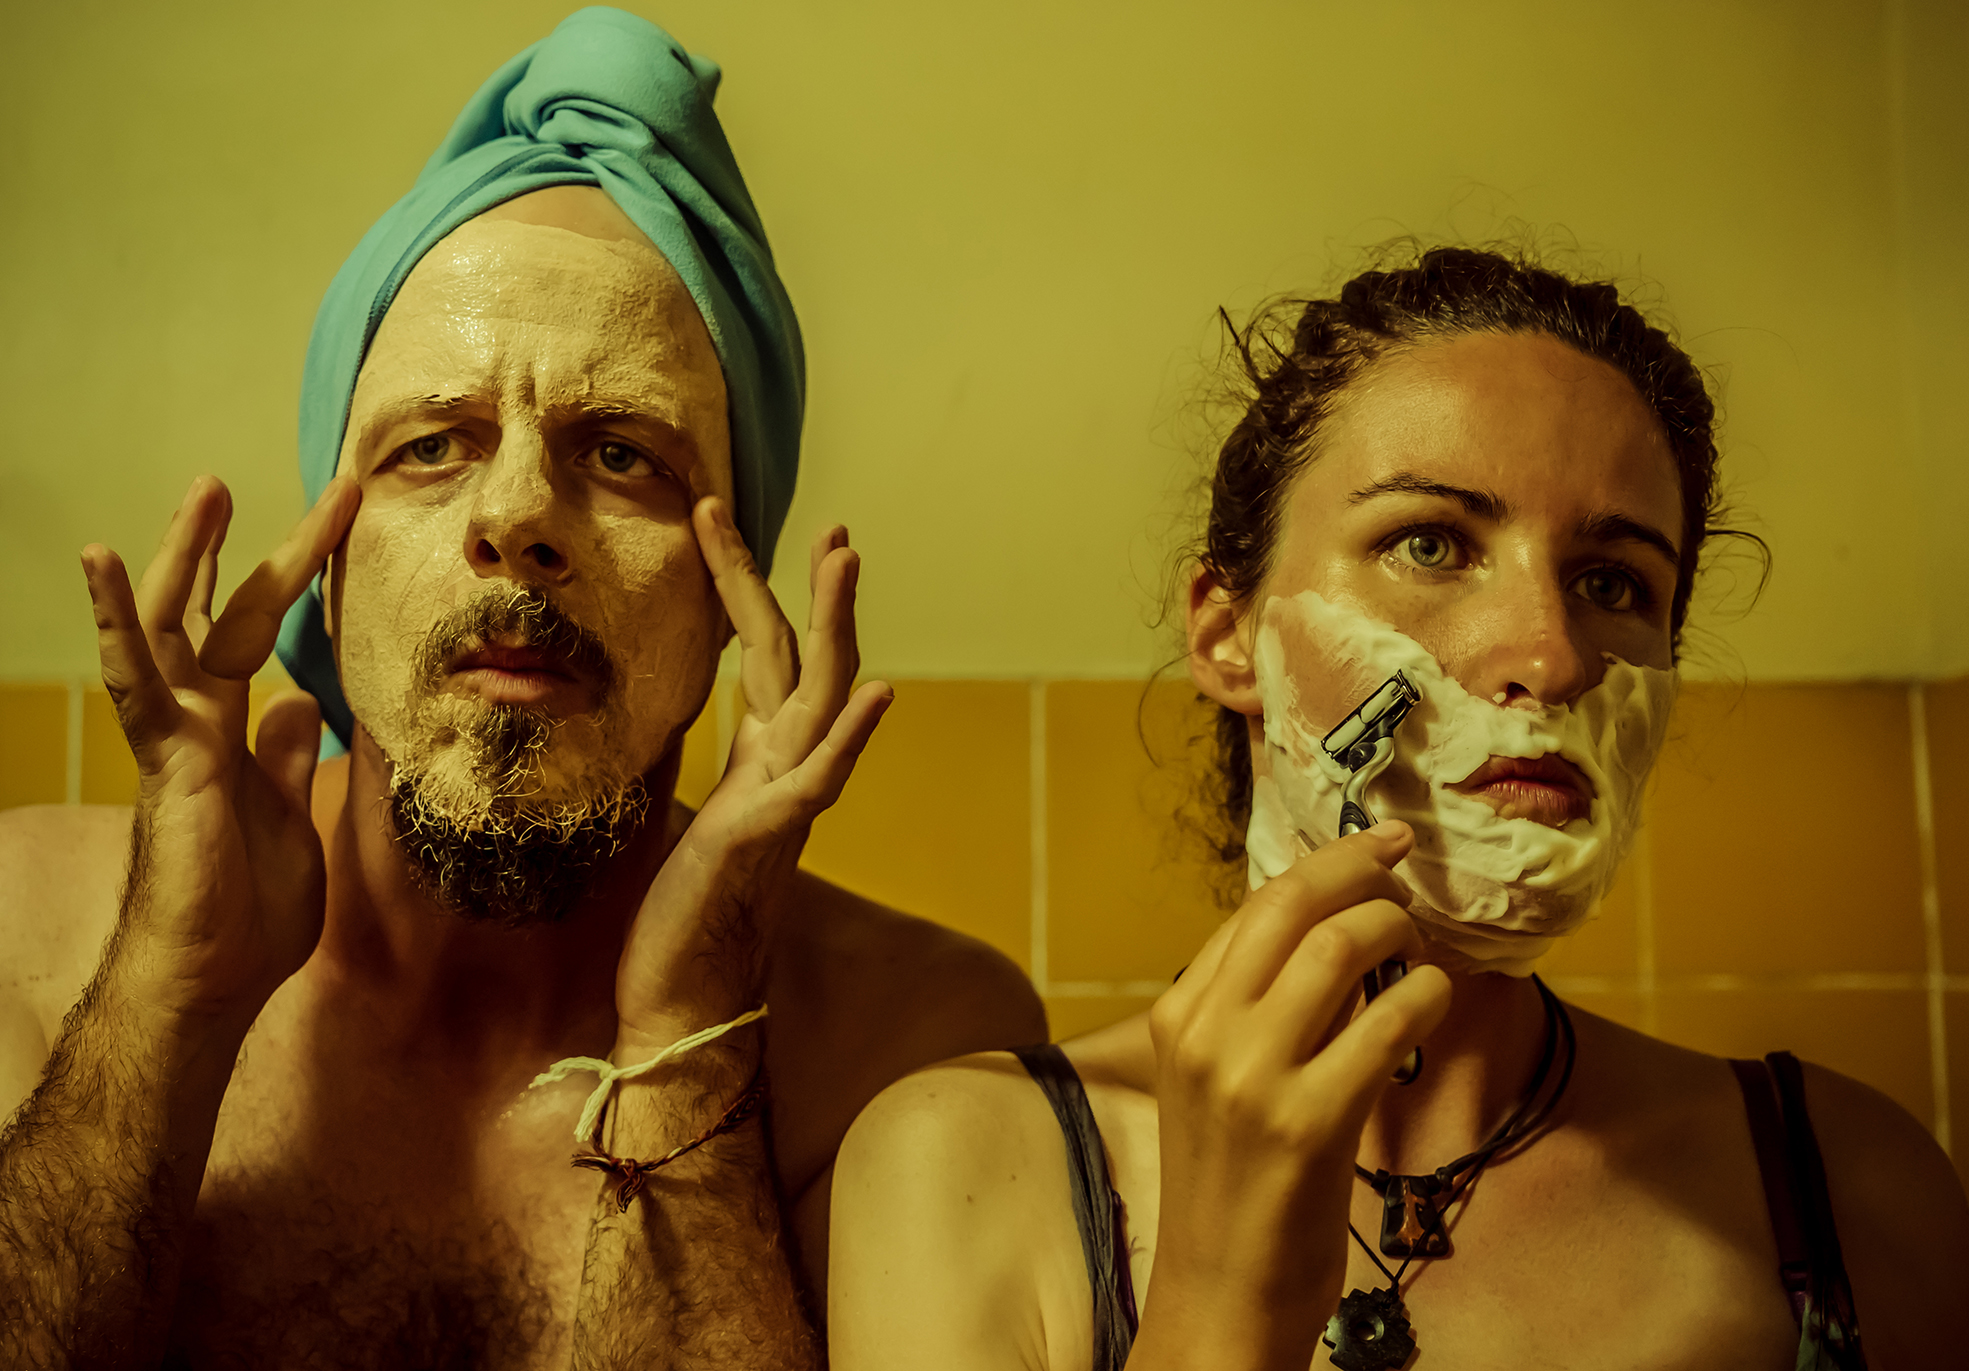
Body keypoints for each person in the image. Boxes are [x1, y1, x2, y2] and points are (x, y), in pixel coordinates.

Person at [0, 10, 1041, 1365]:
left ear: (731, 594)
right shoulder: (29, 935)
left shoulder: (912, 1050)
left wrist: (690, 1033)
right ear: (329, 570)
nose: (517, 517)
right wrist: (164, 998)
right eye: (434, 445)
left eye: (622, 454)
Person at [829, 246, 1969, 1370]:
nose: (1551, 656)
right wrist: (1222, 1305)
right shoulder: (968, 1168)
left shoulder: (1850, 1188)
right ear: (1227, 634)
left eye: (1611, 582)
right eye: (1429, 544)